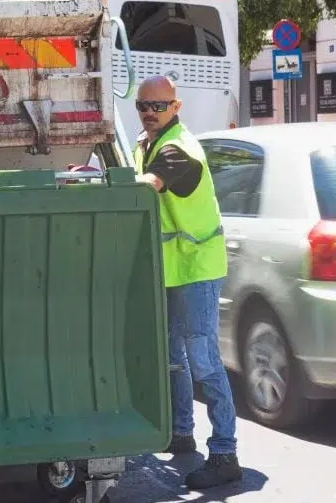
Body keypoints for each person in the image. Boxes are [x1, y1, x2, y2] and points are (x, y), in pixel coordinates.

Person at [132, 75, 243, 489]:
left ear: (175, 108)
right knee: (172, 355)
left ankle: (225, 452)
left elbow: (150, 185)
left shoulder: (179, 148)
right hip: (173, 269)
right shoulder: (146, 144)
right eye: (143, 104)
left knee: (204, 360)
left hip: (197, 269)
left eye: (158, 106)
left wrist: (113, 184)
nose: (149, 112)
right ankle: (181, 432)